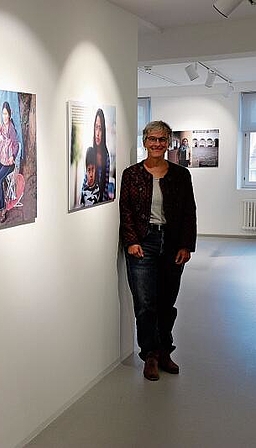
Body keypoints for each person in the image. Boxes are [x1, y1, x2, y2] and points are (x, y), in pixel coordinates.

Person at [120, 120, 197, 381]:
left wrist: (186, 245)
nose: (157, 144)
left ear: (168, 143)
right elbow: (126, 211)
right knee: (145, 303)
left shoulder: (180, 175)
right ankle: (150, 354)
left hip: (173, 243)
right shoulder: (132, 174)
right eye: (152, 139)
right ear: (144, 142)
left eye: (162, 139)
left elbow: (189, 212)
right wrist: (131, 241)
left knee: (167, 302)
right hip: (144, 242)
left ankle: (165, 350)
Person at [0, 101, 19, 223]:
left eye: (6, 114)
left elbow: (16, 145)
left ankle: (3, 208)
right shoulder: (3, 126)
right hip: (3, 159)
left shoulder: (11, 128)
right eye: (3, 114)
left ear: (10, 115)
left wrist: (13, 155)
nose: (4, 116)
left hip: (10, 163)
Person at [92, 108, 110, 202]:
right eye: (96, 128)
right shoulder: (90, 153)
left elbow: (106, 187)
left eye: (100, 129)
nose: (97, 134)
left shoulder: (106, 156)